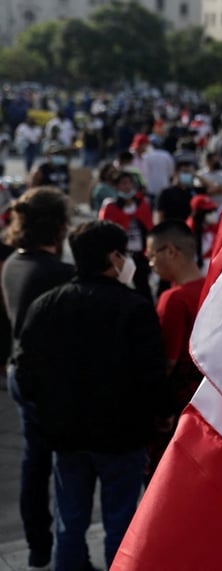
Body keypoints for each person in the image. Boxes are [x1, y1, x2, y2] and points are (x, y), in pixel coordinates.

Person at [16, 220, 168, 571]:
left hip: (65, 436)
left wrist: (47, 412)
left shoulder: (46, 305)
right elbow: (152, 375)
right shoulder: (134, 307)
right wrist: (160, 415)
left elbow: (24, 374)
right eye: (124, 254)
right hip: (122, 438)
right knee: (121, 523)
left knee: (69, 522)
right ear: (113, 257)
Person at [2, 187, 74, 571]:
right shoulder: (59, 274)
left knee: (34, 463)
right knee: (64, 467)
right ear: (59, 228)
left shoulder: (12, 262)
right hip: (50, 380)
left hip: (19, 370)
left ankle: (38, 547)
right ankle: (63, 549)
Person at [145, 220, 205, 476]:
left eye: (151, 255)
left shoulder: (174, 299)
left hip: (177, 409)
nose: (150, 264)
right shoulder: (213, 287)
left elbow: (166, 363)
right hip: (209, 407)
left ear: (171, 251)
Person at [99, 171, 154, 299]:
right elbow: (105, 233)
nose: (127, 186)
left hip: (140, 254)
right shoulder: (110, 207)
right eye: (123, 183)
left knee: (144, 288)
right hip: (120, 256)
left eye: (129, 183)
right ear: (116, 187)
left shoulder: (142, 205)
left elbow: (149, 229)